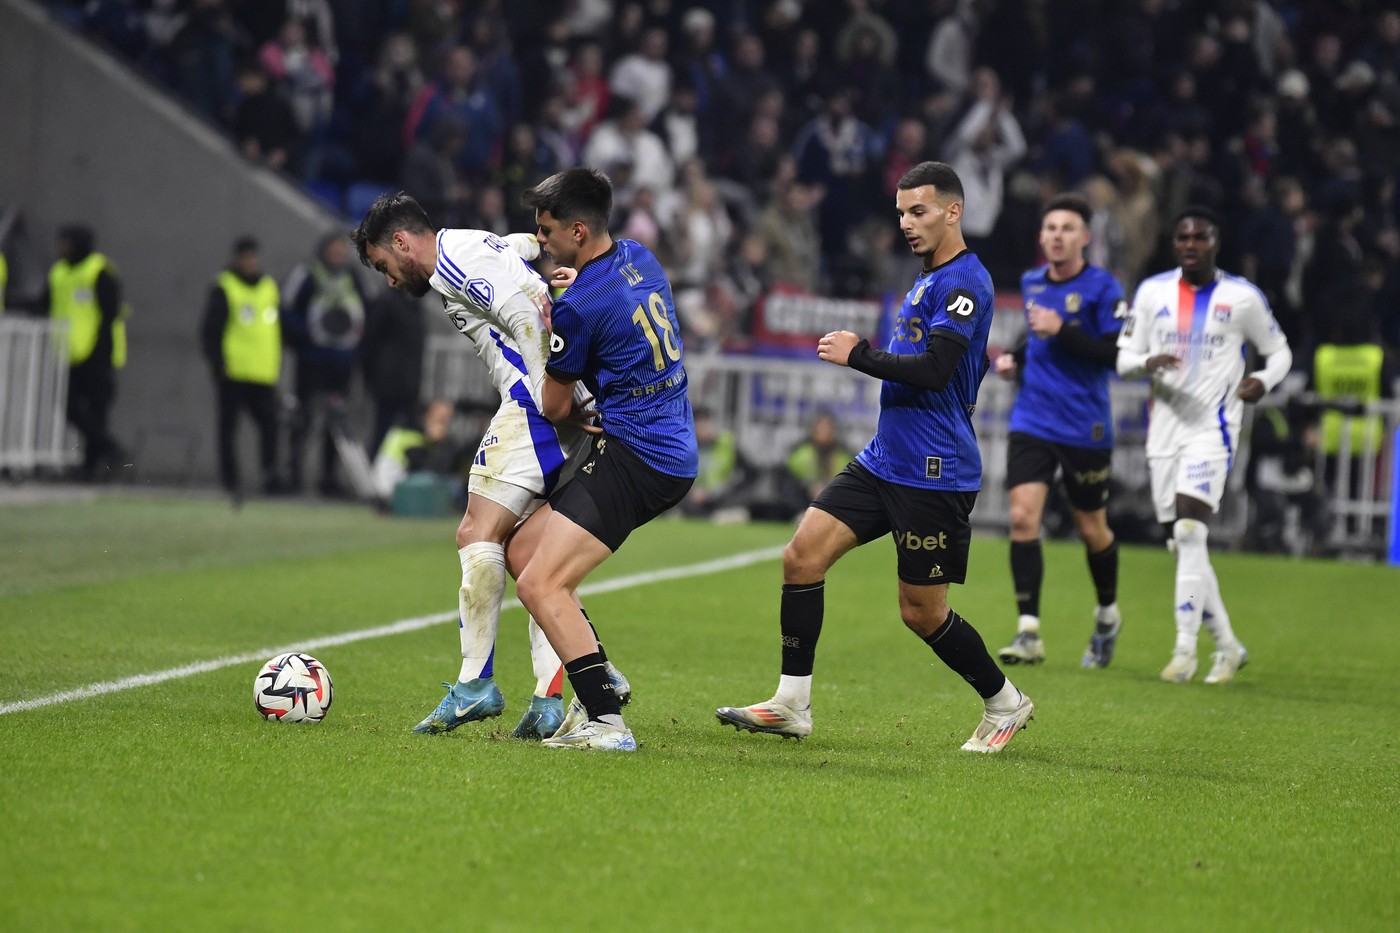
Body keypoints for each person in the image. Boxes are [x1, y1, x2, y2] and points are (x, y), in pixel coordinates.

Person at [715, 161, 1035, 754]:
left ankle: (1004, 701)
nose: (907, 224)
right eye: (901, 214)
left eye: (919, 212)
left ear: (953, 211)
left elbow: (938, 371)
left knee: (921, 611)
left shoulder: (965, 281)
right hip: (886, 458)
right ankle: (791, 702)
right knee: (801, 555)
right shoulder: (924, 278)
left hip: (935, 469)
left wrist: (858, 354)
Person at [351, 191, 625, 741]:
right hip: (554, 399)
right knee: (533, 556)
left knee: (477, 531)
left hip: (534, 402)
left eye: (384, 265)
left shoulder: (455, 266)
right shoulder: (471, 244)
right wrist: (546, 264)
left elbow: (524, 318)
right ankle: (552, 695)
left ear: (402, 243)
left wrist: (557, 399)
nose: (387, 279)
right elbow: (517, 247)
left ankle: (476, 683)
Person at [509, 167, 699, 751]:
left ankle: (606, 722)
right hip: (669, 442)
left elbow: (555, 403)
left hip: (638, 457)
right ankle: (600, 668)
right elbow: (618, 324)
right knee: (521, 551)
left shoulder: (577, 308)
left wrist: (557, 326)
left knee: (540, 585)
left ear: (579, 230)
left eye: (546, 232)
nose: (541, 242)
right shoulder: (640, 256)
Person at [1116, 205, 1293, 685]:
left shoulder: (1242, 298)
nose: (1190, 245)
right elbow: (1124, 357)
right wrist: (1148, 361)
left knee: (1192, 534)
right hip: (1163, 434)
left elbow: (1280, 351)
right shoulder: (1152, 293)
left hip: (1213, 431)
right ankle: (1230, 647)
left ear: (1215, 242)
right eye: (1183, 238)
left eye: (1200, 237)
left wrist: (1262, 378)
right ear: (1175, 245)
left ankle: (1183, 652)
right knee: (1182, 545)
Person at [992, 194, 1128, 669]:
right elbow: (1034, 335)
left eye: (1067, 228)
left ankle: (1108, 614)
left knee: (1092, 528)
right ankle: (1028, 630)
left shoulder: (1104, 288)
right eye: (1050, 227)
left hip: (1084, 426)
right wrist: (1015, 359)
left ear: (1085, 237)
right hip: (1032, 419)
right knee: (1022, 518)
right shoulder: (1032, 281)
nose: (1057, 235)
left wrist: (1063, 328)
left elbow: (1115, 355)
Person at [282, 232, 368, 497]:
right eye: (335, 249)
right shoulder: (306, 275)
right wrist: (306, 340)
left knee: (336, 423)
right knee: (304, 418)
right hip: (312, 362)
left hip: (341, 363)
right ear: (323, 250)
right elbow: (287, 311)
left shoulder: (353, 276)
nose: (339, 254)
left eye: (342, 249)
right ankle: (294, 476)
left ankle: (329, 478)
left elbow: (368, 310)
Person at [201, 237, 284, 503]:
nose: (250, 262)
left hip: (262, 372)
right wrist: (218, 363)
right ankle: (230, 479)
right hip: (233, 371)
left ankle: (270, 477)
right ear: (238, 258)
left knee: (270, 426)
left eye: (254, 257)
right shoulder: (224, 286)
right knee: (229, 428)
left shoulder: (269, 286)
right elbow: (210, 331)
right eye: (246, 257)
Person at [48, 225, 128, 481]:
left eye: (67, 243)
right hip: (67, 352)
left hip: (97, 352)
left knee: (97, 411)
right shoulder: (59, 272)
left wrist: (101, 349)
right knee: (69, 407)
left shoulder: (100, 271)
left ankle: (90, 467)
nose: (63, 248)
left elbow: (111, 312)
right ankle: (108, 448)